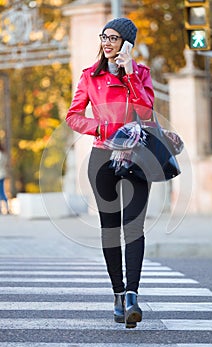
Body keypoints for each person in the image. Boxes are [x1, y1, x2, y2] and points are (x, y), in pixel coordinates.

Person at [66, 17, 154, 328]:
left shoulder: (140, 73)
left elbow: (145, 112)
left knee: (134, 228)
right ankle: (117, 294)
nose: (107, 42)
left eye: (114, 38)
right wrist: (100, 127)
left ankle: (132, 296)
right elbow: (73, 116)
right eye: (105, 36)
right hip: (102, 159)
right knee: (109, 229)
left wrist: (130, 73)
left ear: (127, 43)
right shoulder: (90, 76)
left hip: (137, 158)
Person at [0, 141, 9, 214]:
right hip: (3, 174)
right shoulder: (3, 154)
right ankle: (6, 207)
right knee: (2, 191)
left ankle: (5, 208)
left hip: (0, 175)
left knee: (1, 192)